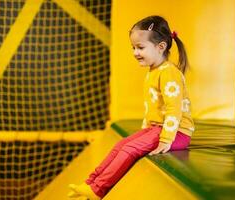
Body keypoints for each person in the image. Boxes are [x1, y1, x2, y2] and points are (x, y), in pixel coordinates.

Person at [68, 15, 195, 200]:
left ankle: (98, 190)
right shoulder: (153, 71)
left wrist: (166, 139)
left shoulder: (169, 73)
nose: (135, 52)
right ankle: (90, 183)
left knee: (130, 149)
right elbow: (152, 107)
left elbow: (174, 109)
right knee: (121, 144)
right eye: (133, 47)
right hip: (157, 128)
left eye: (140, 47)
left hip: (177, 132)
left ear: (161, 47)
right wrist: (144, 131)